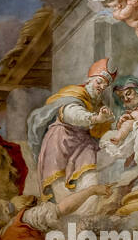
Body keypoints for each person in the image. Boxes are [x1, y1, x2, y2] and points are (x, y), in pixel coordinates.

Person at [25, 58, 116, 206]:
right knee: (60, 187)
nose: (101, 87)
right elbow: (73, 114)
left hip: (83, 145)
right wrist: (95, 118)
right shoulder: (75, 94)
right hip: (61, 141)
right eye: (99, 82)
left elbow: (100, 130)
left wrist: (108, 120)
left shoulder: (98, 104)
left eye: (104, 86)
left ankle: (86, 210)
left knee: (90, 176)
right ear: (89, 80)